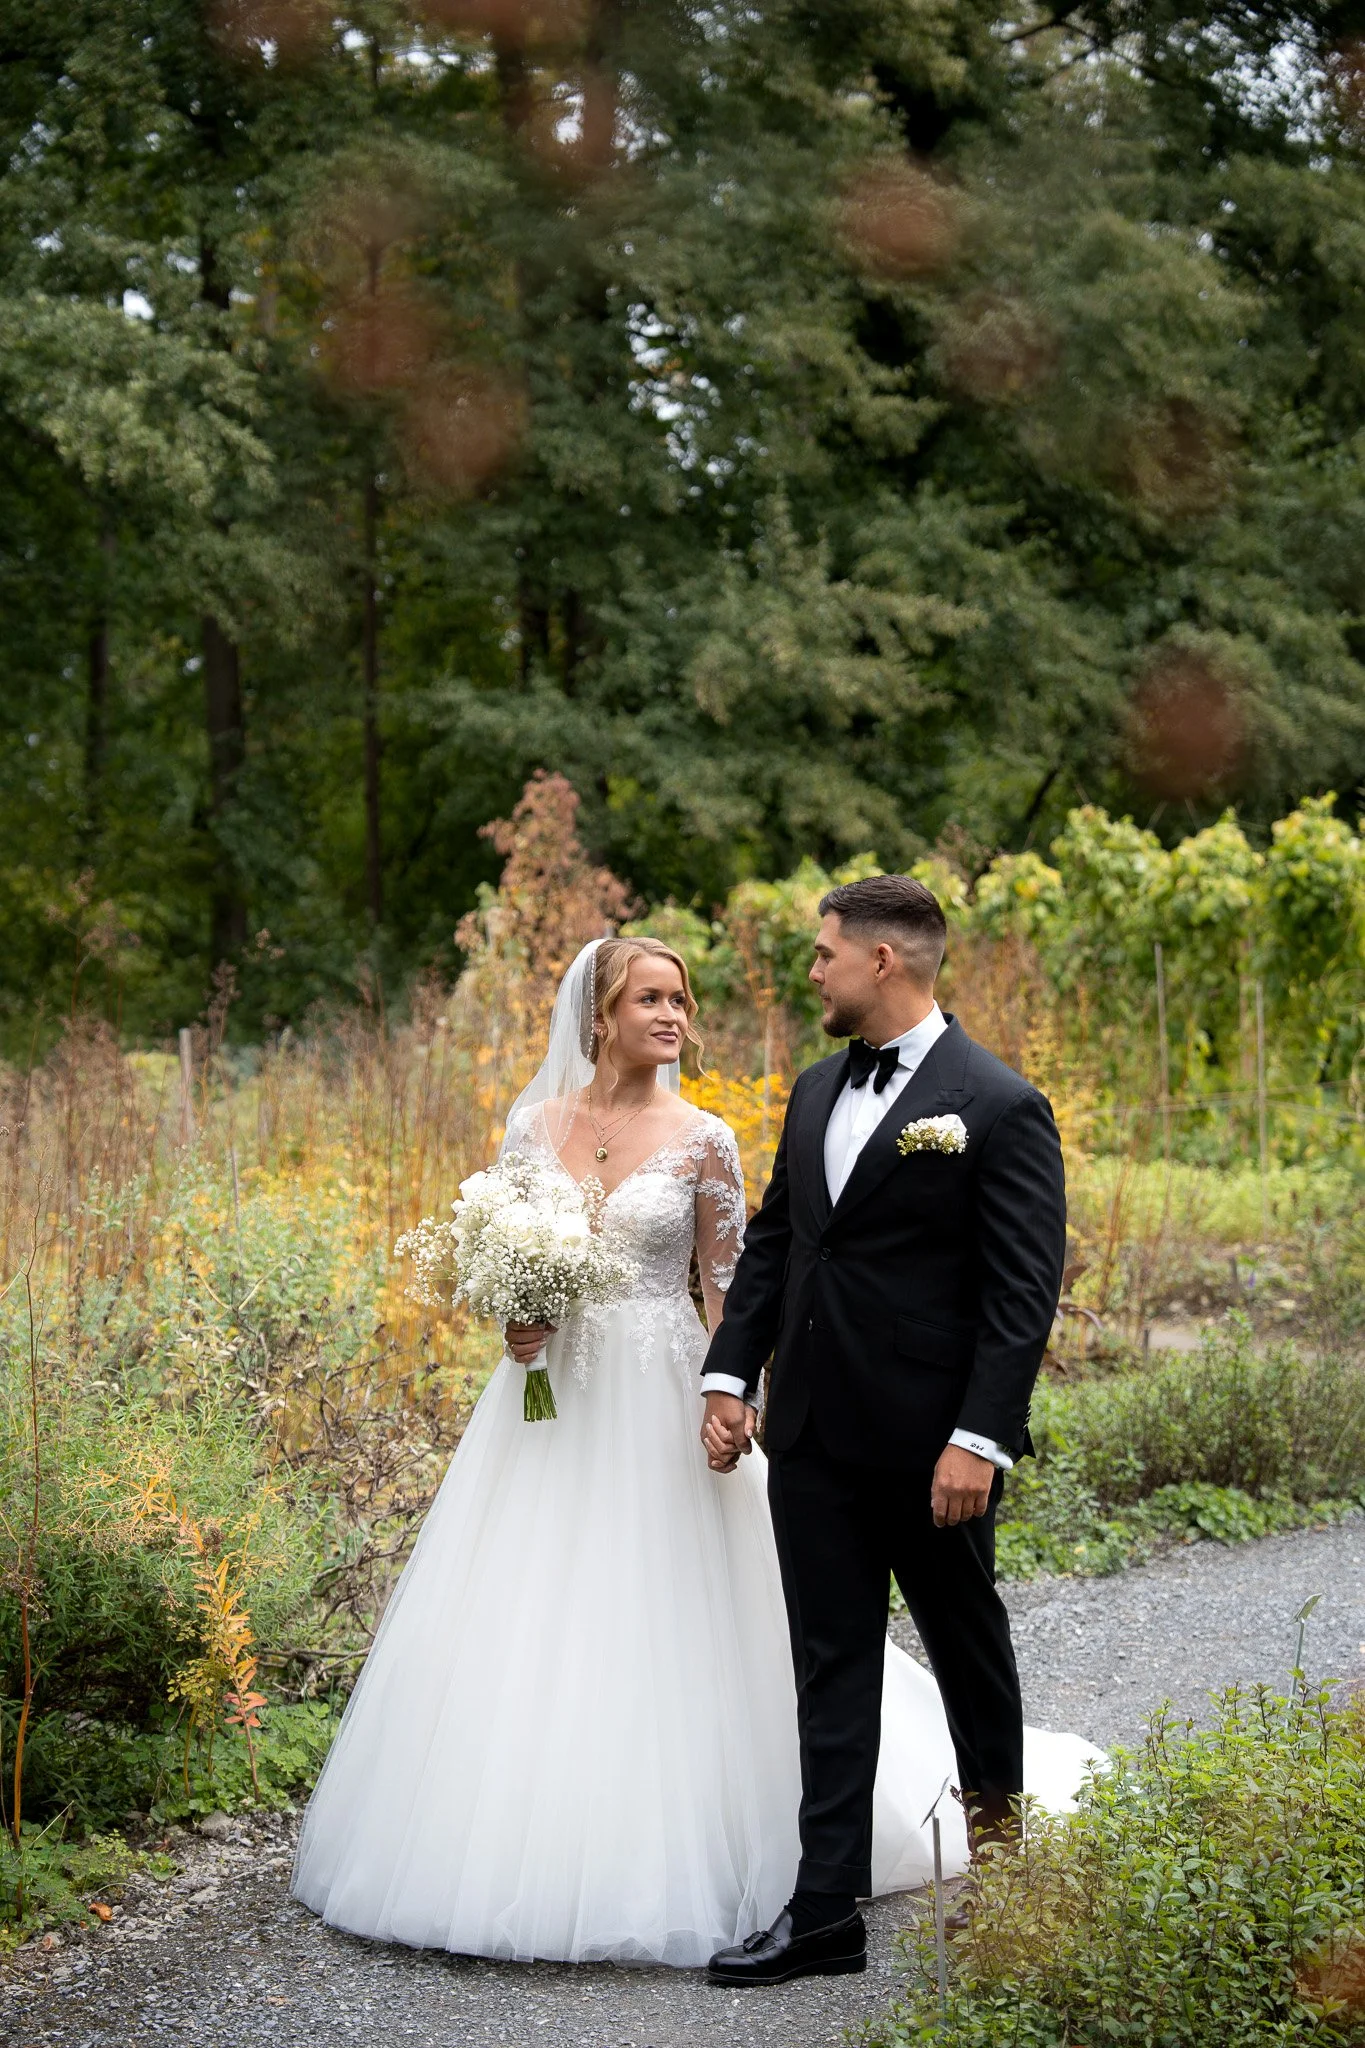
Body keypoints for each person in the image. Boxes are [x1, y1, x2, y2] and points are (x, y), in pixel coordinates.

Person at [292, 931, 1096, 1968]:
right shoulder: (534, 1125)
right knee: (537, 1611)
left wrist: (732, 1389)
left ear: (883, 957)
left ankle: (940, 1857)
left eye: (682, 999)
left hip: (669, 1396)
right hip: (549, 1404)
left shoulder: (710, 1136)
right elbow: (512, 1263)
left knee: (726, 1619)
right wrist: (517, 1322)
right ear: (599, 1013)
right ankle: (569, 1852)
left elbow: (736, 1281)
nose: (674, 1016)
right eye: (651, 998)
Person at [700, 874, 1069, 1986]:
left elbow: (1020, 1296)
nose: (812, 970)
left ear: (884, 962)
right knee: (830, 1669)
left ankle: (1003, 1888)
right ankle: (822, 1914)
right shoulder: (816, 1087)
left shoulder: (998, 1104)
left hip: (932, 1452)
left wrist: (980, 1439)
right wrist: (730, 1373)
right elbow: (776, 1243)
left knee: (968, 1655)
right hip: (811, 1437)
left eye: (823, 954)